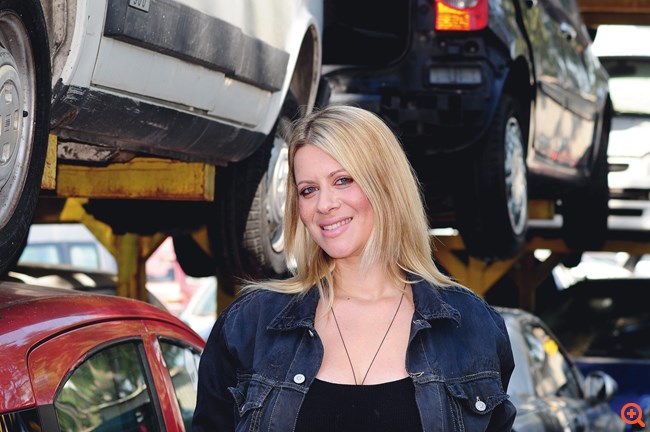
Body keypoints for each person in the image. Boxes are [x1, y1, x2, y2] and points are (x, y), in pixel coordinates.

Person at [193, 105, 517, 431]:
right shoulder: (250, 325)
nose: (324, 204)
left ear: (386, 185)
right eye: (308, 190)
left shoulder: (471, 325)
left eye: (343, 180)